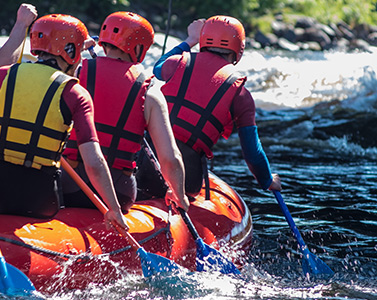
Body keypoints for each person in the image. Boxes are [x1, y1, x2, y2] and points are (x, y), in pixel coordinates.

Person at [0, 14, 128, 231]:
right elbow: (94, 163)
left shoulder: (3, 75)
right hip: (36, 200)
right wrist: (113, 208)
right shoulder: (75, 93)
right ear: (72, 52)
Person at [62, 11, 189, 213]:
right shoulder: (150, 91)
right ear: (139, 48)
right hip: (119, 191)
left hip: (68, 183)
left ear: (102, 41)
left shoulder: (74, 73)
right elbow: (170, 159)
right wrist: (179, 195)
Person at [152, 16, 282, 197]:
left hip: (148, 158)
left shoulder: (177, 63)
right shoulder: (241, 95)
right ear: (239, 50)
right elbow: (252, 152)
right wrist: (268, 180)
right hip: (186, 175)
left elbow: (157, 67)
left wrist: (190, 41)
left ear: (203, 42)